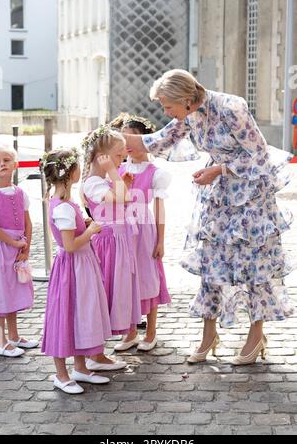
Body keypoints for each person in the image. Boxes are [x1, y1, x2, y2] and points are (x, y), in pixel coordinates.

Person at [123, 69, 294, 365]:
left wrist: (219, 169)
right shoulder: (188, 115)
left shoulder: (231, 107)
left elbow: (260, 155)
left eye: (167, 106)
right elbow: (160, 140)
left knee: (253, 268)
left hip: (251, 199)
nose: (166, 112)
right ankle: (208, 335)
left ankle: (256, 335)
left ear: (187, 99)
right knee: (212, 264)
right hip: (219, 199)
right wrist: (109, 139)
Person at [41, 148, 112, 394]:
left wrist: (86, 225)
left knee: (81, 314)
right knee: (66, 315)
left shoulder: (66, 203)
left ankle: (80, 368)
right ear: (71, 173)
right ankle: (61, 375)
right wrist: (90, 232)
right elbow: (69, 245)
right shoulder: (62, 207)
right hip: (72, 268)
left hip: (81, 266)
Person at [82, 127, 141, 365]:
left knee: (116, 292)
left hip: (118, 243)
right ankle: (95, 354)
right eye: (118, 156)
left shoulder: (104, 180)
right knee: (105, 294)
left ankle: (98, 351)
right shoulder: (94, 183)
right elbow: (124, 199)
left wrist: (117, 178)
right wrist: (115, 176)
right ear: (102, 158)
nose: (122, 160)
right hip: (108, 245)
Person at [117, 115, 171, 351]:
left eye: (132, 137)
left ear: (145, 140)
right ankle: (130, 333)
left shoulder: (155, 172)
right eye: (124, 137)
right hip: (121, 229)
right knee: (126, 277)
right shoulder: (117, 168)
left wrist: (161, 240)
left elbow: (159, 207)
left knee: (148, 277)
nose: (127, 143)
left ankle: (150, 332)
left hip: (144, 230)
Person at [0, 145, 37, 358]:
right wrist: (14, 244)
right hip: (1, 249)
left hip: (18, 248)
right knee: (0, 295)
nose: (2, 164)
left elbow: (28, 223)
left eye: (6, 160)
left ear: (15, 164)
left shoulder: (21, 193)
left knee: (12, 293)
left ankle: (14, 335)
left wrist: (26, 247)